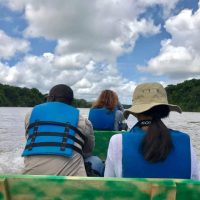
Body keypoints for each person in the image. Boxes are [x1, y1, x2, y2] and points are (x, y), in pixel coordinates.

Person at [104, 82, 200, 179]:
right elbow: (196, 183)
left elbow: (108, 183)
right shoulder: (186, 141)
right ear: (164, 111)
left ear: (135, 113)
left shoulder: (117, 141)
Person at [22, 84, 103, 176]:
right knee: (95, 160)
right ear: (71, 102)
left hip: (30, 177)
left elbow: (28, 138)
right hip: (70, 183)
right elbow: (88, 151)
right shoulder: (83, 121)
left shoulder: (30, 115)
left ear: (51, 98)